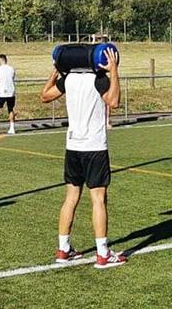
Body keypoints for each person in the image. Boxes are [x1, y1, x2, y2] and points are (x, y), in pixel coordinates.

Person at [41, 46, 128, 269]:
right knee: (98, 199)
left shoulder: (69, 78)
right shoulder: (98, 79)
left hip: (73, 146)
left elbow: (44, 96)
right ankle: (102, 254)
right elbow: (115, 101)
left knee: (71, 197)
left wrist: (57, 71)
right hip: (94, 147)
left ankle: (63, 249)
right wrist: (114, 71)